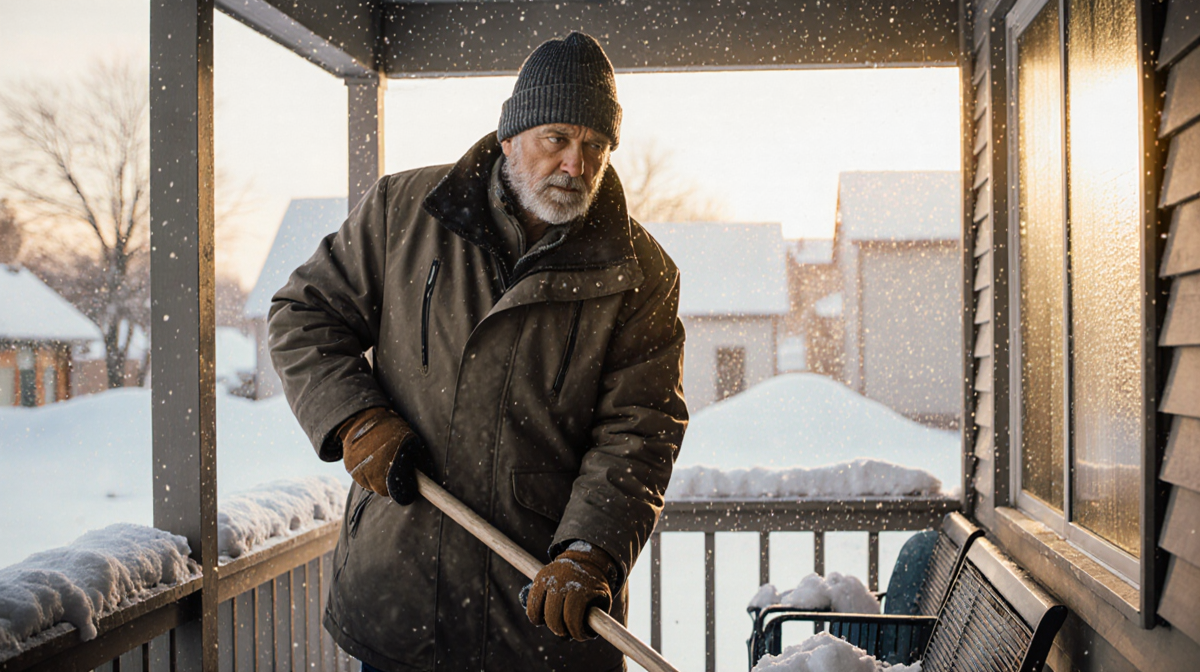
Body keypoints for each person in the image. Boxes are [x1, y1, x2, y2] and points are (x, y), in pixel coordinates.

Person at [268, 31, 688, 672]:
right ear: (511, 135)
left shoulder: (639, 272)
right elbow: (305, 314)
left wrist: (589, 551)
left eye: (595, 145)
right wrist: (354, 417)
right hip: (399, 602)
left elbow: (640, 429)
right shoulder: (402, 214)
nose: (576, 164)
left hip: (542, 622)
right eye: (557, 138)